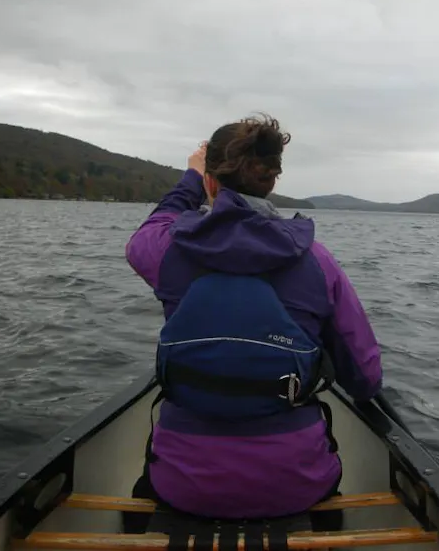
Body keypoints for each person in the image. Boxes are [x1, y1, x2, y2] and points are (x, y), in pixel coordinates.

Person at [123, 113, 383, 531]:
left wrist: (191, 177)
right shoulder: (318, 263)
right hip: (297, 484)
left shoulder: (169, 252)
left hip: (182, 483)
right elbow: (365, 379)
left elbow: (147, 232)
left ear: (210, 182)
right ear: (272, 180)